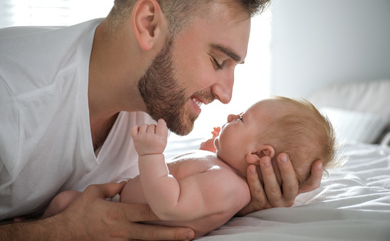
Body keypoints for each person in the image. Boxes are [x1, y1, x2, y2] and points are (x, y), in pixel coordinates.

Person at [0, 0, 324, 239]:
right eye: (218, 61)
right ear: (149, 25)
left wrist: (248, 199)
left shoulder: (150, 95)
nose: (227, 96)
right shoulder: (12, 101)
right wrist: (53, 232)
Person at [42, 96, 336, 238]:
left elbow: (169, 204)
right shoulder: (223, 172)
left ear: (259, 153)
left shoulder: (227, 187)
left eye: (242, 119)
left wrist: (151, 155)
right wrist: (210, 149)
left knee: (64, 203)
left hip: (129, 228)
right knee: (64, 201)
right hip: (118, 208)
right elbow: (193, 178)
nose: (232, 113)